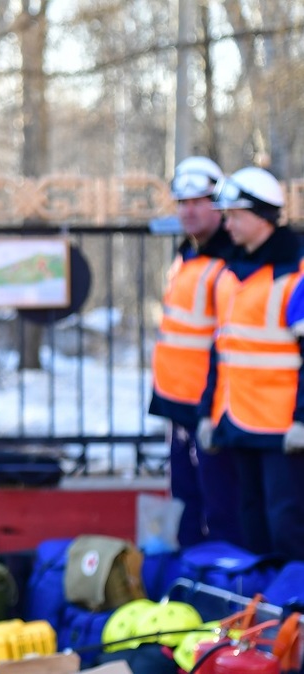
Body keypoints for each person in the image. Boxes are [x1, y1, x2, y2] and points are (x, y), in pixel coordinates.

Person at [197, 166, 304, 561]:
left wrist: (302, 420)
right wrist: (208, 411)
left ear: (262, 217)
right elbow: (220, 349)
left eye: (235, 216)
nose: (228, 225)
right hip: (236, 419)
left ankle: (293, 609)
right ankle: (257, 605)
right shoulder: (229, 273)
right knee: (249, 519)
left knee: (287, 522)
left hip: (283, 429)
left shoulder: (296, 273)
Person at [148, 156, 242, 549]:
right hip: (178, 404)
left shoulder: (230, 260)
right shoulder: (187, 254)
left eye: (198, 202)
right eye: (182, 203)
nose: (188, 210)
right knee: (185, 503)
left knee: (220, 508)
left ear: (218, 205)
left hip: (210, 406)